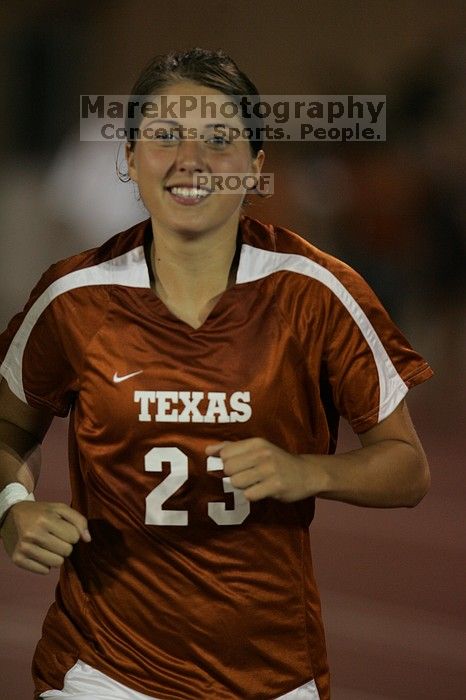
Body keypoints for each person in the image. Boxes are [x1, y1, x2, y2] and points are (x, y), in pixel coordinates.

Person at [0, 48, 432, 700]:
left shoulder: (318, 293)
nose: (189, 159)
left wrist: (311, 470)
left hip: (274, 675)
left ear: (256, 168)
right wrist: (13, 508)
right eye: (164, 135)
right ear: (129, 158)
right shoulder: (72, 298)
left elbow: (408, 467)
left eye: (220, 139)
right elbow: (8, 430)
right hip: (101, 671)